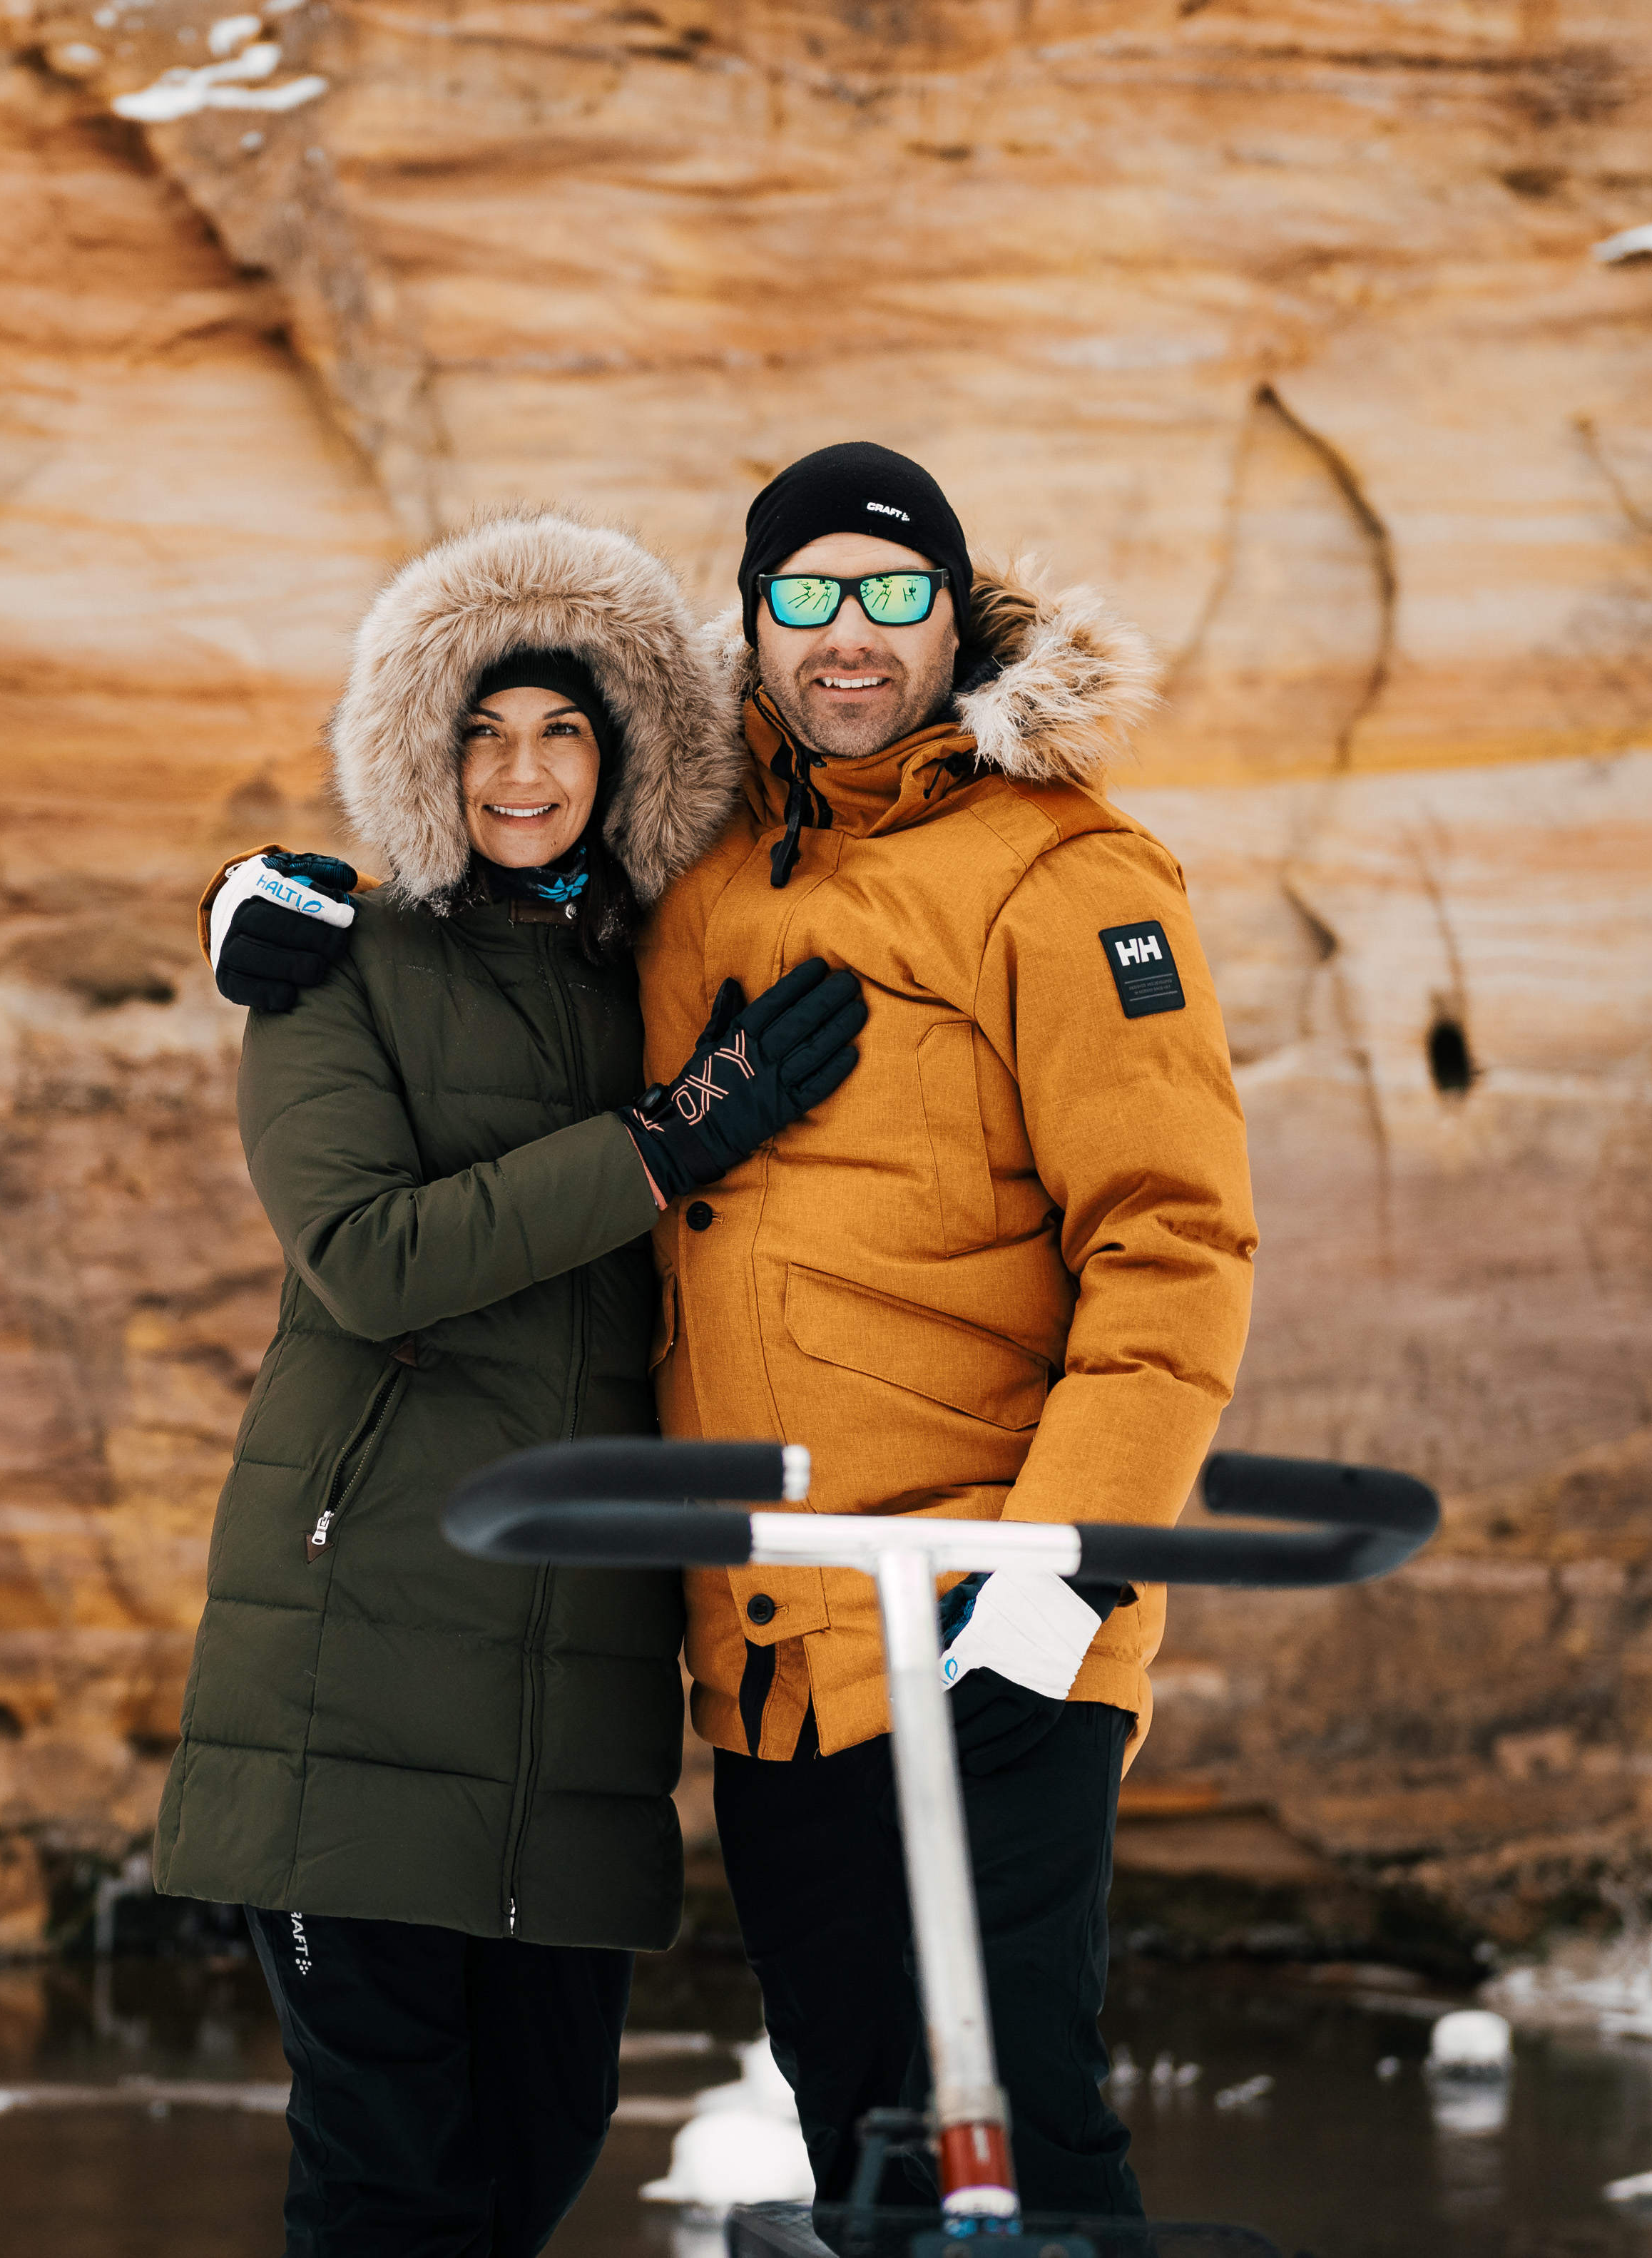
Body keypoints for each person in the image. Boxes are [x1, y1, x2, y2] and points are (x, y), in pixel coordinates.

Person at [206, 442, 1253, 2221]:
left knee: (1021, 2137)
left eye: (892, 593)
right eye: (806, 595)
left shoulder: (1066, 874)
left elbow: (1172, 1242)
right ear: (751, 625)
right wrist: (265, 893)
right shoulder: (697, 865)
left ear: (956, 612)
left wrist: (1058, 1564)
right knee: (865, 2143)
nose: (849, 638)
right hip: (774, 1654)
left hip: (985, 1612)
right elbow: (494, 881)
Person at [159, 511, 867, 2257]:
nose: (519, 769)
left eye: (560, 728)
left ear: (622, 750)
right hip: (356, 1658)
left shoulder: (659, 965)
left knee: (532, 2162)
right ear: (424, 747)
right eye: (479, 729)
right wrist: (666, 1134)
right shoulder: (341, 964)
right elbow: (372, 1254)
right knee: (389, 2191)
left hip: (581, 1684)